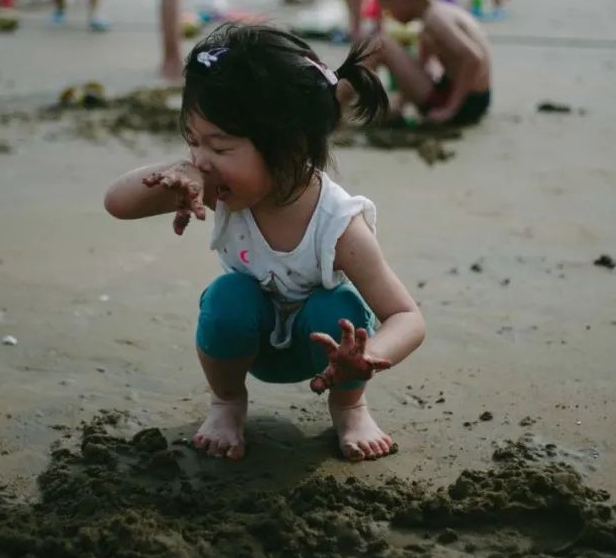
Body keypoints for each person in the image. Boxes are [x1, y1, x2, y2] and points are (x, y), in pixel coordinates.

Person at [103, 23, 425, 461]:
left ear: (289, 146)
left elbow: (407, 316)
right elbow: (117, 204)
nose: (202, 160)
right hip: (244, 346)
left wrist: (365, 359)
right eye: (193, 141)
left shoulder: (339, 225)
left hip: (324, 356)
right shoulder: (219, 190)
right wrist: (175, 171)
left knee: (342, 309)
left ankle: (351, 410)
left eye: (219, 146)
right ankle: (227, 403)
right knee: (227, 296)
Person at [371, 0, 492, 127]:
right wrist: (401, 102)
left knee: (377, 45)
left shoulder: (435, 19)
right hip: (467, 97)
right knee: (383, 46)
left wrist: (449, 109)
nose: (389, 16)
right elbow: (421, 67)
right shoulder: (434, 13)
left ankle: (340, 106)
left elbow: (474, 58)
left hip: (465, 104)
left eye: (388, 9)